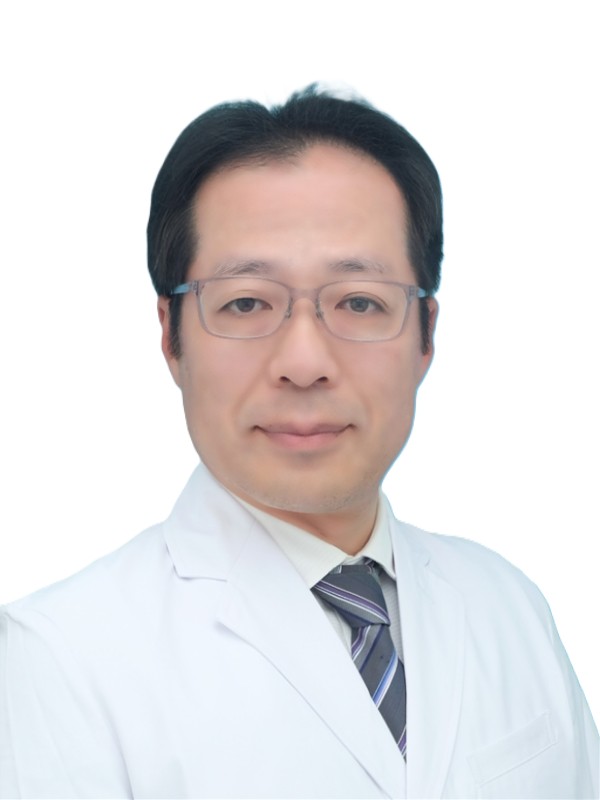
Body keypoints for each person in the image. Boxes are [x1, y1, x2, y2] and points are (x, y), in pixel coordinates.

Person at [0, 86, 597, 799]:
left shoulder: (509, 606)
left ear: (427, 335)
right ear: (170, 337)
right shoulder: (57, 660)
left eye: (360, 301)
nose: (305, 361)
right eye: (247, 302)